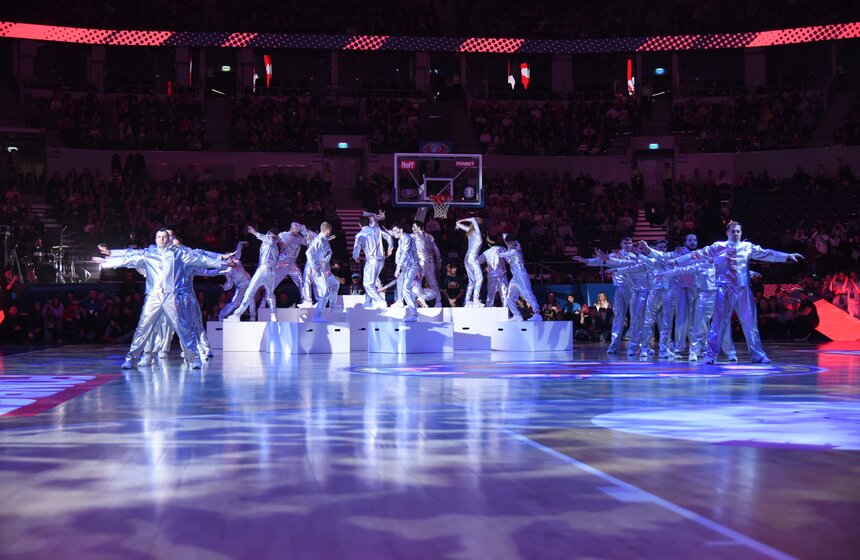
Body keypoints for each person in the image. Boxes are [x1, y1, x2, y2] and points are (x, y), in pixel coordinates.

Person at [672, 221, 803, 364]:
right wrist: (678, 261)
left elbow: (766, 253)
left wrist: (786, 256)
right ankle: (710, 355)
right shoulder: (718, 246)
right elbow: (698, 254)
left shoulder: (747, 247)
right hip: (724, 290)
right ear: (727, 233)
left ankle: (757, 354)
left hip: (743, 290)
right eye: (733, 231)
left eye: (738, 231)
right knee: (719, 324)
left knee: (750, 323)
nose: (735, 234)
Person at [95, 229, 225, 368]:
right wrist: (110, 256)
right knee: (143, 327)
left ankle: (193, 359)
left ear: (168, 239)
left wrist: (222, 261)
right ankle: (131, 359)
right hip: (154, 296)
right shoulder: (148, 254)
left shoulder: (179, 254)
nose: (162, 239)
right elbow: (130, 256)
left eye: (164, 237)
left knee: (182, 327)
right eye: (159, 237)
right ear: (155, 239)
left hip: (172, 296)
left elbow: (201, 259)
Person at [225, 226, 280, 322]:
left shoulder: (269, 240)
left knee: (249, 292)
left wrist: (255, 233)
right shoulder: (276, 246)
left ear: (269, 234)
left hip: (263, 270)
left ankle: (237, 315)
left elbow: (267, 238)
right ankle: (273, 316)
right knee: (270, 295)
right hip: (272, 272)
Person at [499, 233, 542, 321]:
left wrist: (497, 250)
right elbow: (504, 237)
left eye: (508, 243)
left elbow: (502, 255)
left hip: (521, 276)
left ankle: (537, 313)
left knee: (527, 293)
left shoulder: (515, 249)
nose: (508, 244)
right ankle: (517, 315)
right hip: (515, 277)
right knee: (509, 298)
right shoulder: (512, 246)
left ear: (511, 242)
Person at [353, 214, 391, 309]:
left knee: (368, 283)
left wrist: (356, 257)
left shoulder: (360, 234)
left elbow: (357, 248)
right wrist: (390, 248)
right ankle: (368, 302)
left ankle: (380, 301)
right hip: (381, 260)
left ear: (359, 224)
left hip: (372, 260)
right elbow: (389, 237)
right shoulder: (377, 230)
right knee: (371, 281)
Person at [306, 222, 340, 321]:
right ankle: (316, 316)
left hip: (324, 269)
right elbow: (308, 253)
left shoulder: (324, 240)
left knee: (335, 284)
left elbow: (329, 252)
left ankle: (332, 307)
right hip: (317, 270)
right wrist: (313, 267)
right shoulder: (319, 240)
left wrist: (325, 260)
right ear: (328, 231)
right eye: (330, 231)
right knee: (325, 293)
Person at [390, 223, 420, 322]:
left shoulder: (407, 239)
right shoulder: (401, 240)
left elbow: (405, 253)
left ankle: (414, 314)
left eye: (395, 231)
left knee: (405, 289)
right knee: (405, 289)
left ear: (401, 230)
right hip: (407, 267)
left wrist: (398, 268)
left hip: (412, 266)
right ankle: (413, 312)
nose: (394, 233)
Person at [218, 242, 252, 320]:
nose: (231, 258)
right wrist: (225, 287)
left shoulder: (237, 260)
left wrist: (240, 243)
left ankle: (252, 317)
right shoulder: (228, 271)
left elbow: (238, 250)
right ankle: (222, 314)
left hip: (249, 283)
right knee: (235, 304)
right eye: (228, 258)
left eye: (231, 257)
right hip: (241, 287)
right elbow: (229, 284)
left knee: (251, 299)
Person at [412, 220, 443, 307]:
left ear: (418, 228)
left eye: (414, 227)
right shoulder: (430, 236)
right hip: (430, 263)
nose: (412, 228)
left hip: (420, 264)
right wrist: (439, 260)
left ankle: (416, 303)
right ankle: (438, 302)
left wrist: (390, 231)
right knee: (433, 283)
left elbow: (403, 236)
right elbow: (436, 249)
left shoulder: (414, 236)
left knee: (416, 283)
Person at [455, 217, 484, 307]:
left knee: (472, 281)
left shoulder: (470, 232)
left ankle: (467, 300)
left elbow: (459, 225)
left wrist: (458, 222)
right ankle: (475, 300)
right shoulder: (477, 233)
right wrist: (461, 220)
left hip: (467, 258)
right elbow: (472, 219)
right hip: (472, 258)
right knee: (479, 278)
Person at [477, 234, 509, 308]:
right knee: (504, 295)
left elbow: (477, 262)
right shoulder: (501, 249)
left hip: (491, 276)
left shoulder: (486, 252)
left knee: (490, 296)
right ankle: (506, 314)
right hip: (502, 276)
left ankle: (489, 312)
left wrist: (484, 268)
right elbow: (508, 260)